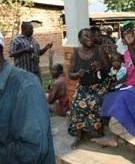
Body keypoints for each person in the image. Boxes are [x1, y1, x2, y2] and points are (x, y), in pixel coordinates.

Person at [0, 32, 55, 164]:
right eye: (29, 27)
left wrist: (46, 47)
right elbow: (12, 53)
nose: (32, 29)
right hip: (21, 70)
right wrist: (25, 49)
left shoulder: (26, 86)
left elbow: (32, 149)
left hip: (30, 73)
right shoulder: (17, 40)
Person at [67, 28, 110, 149]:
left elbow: (109, 69)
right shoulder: (75, 53)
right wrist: (77, 74)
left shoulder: (99, 50)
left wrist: (101, 66)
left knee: (95, 102)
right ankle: (79, 136)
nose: (90, 38)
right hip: (83, 86)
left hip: (99, 85)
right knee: (76, 105)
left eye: (91, 35)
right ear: (80, 39)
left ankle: (99, 133)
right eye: (86, 36)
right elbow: (70, 74)